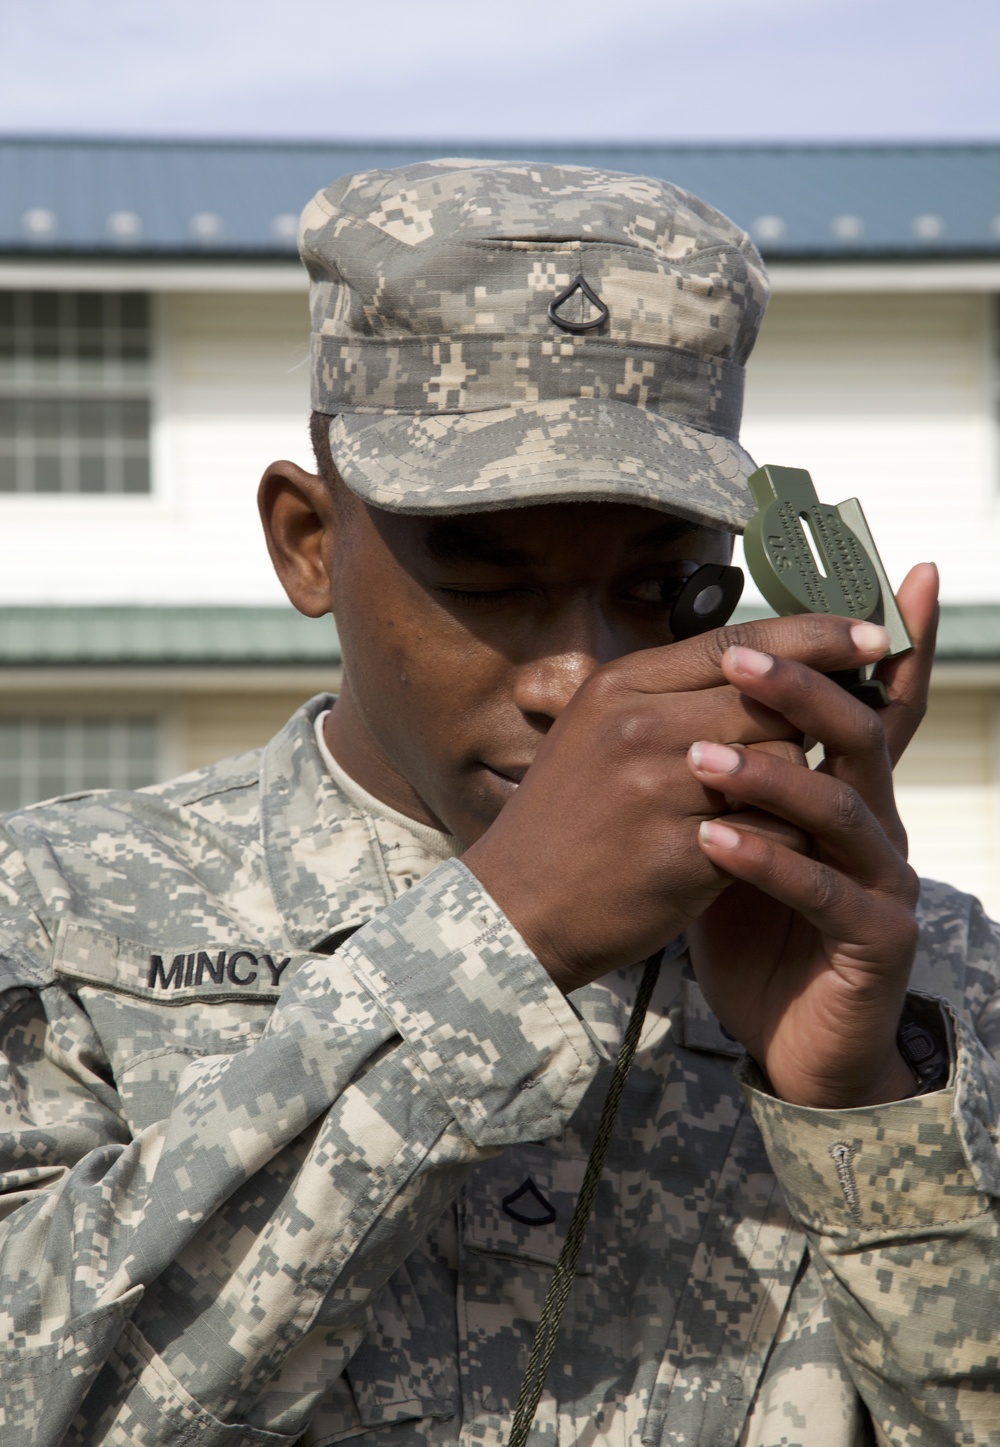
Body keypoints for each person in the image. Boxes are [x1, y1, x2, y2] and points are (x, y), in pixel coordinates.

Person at [0, 159, 997, 1447]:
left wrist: (859, 1113)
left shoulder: (914, 972)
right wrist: (496, 944)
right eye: (484, 575)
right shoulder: (54, 914)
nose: (579, 679)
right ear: (309, 540)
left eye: (661, 588)